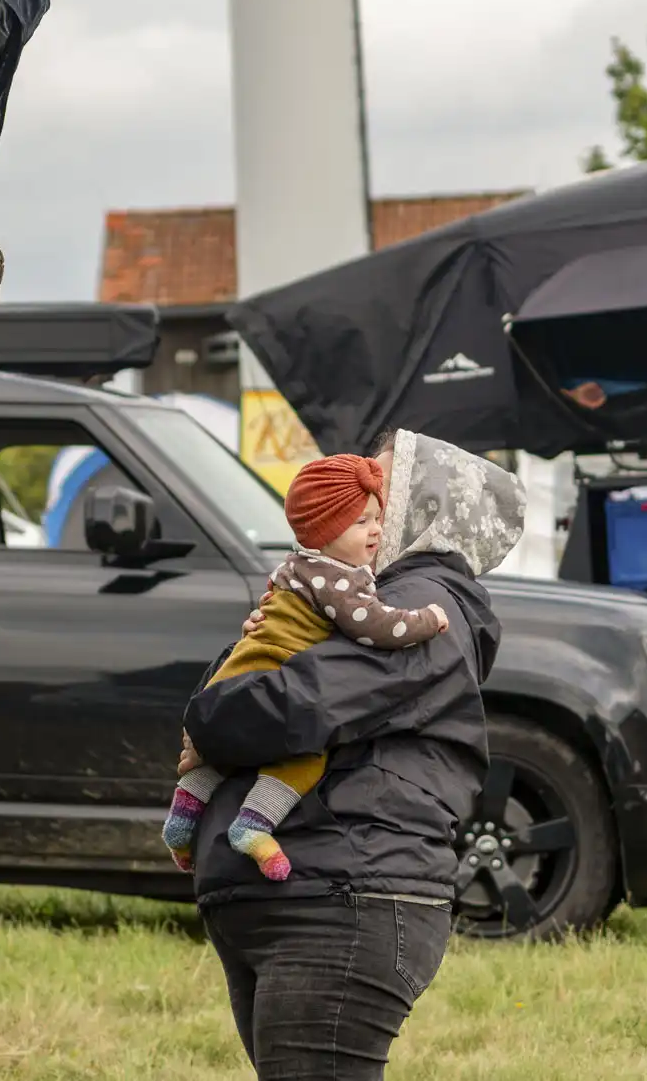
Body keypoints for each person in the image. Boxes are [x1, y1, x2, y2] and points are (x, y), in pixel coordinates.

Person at [179, 429, 525, 1079]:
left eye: (376, 487)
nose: (355, 493)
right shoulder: (342, 594)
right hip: (300, 893)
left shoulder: (423, 604)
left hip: (344, 894)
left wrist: (210, 713)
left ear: (420, 510)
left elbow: (284, 707)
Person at [165, 453, 448, 880]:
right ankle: (254, 825)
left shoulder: (297, 566)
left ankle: (183, 819)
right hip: (270, 669)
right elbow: (373, 626)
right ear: (323, 531)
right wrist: (427, 620)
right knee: (305, 755)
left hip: (238, 671)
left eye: (377, 518)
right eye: (360, 522)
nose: (375, 530)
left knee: (220, 754)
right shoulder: (336, 578)